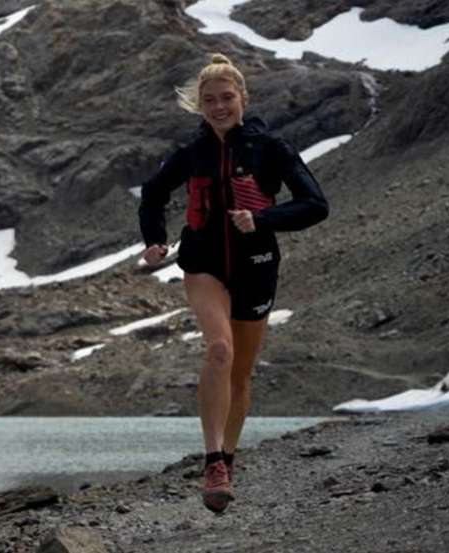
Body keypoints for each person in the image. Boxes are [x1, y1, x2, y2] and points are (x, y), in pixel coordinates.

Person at [137, 53, 328, 513]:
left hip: (257, 264)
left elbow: (315, 204)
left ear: (242, 97)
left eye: (227, 97)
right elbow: (153, 193)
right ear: (198, 106)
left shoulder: (271, 148)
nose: (219, 106)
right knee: (218, 350)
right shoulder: (190, 154)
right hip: (203, 265)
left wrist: (262, 218)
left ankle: (228, 457)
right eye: (209, 100)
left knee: (240, 373)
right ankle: (212, 462)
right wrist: (155, 240)